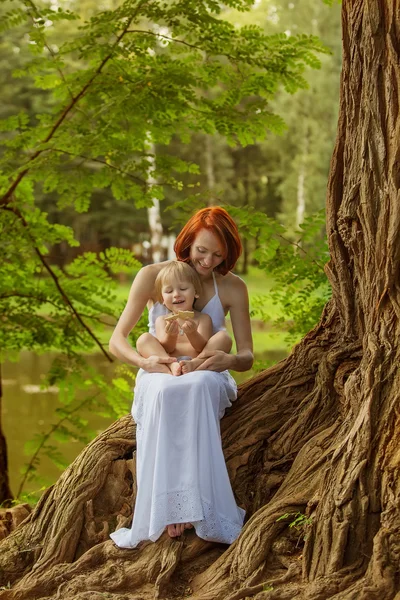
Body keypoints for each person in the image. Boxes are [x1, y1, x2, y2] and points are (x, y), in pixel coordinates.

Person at [109, 206, 253, 546]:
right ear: (187, 242)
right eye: (202, 250)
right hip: (159, 367)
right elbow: (118, 340)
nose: (208, 261)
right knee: (162, 392)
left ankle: (199, 505)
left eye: (218, 255)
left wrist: (227, 358)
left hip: (205, 368)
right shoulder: (153, 276)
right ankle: (166, 509)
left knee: (199, 385)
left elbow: (246, 357)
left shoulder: (233, 287)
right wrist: (143, 363)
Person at [136, 260, 229, 376]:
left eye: (183, 289)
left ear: (196, 292)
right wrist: (171, 335)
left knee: (224, 337)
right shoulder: (162, 320)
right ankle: (170, 365)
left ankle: (196, 363)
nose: (176, 294)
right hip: (171, 359)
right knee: (143, 339)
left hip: (194, 360)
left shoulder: (203, 319)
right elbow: (167, 349)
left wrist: (192, 333)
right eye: (169, 291)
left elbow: (201, 348)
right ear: (163, 300)